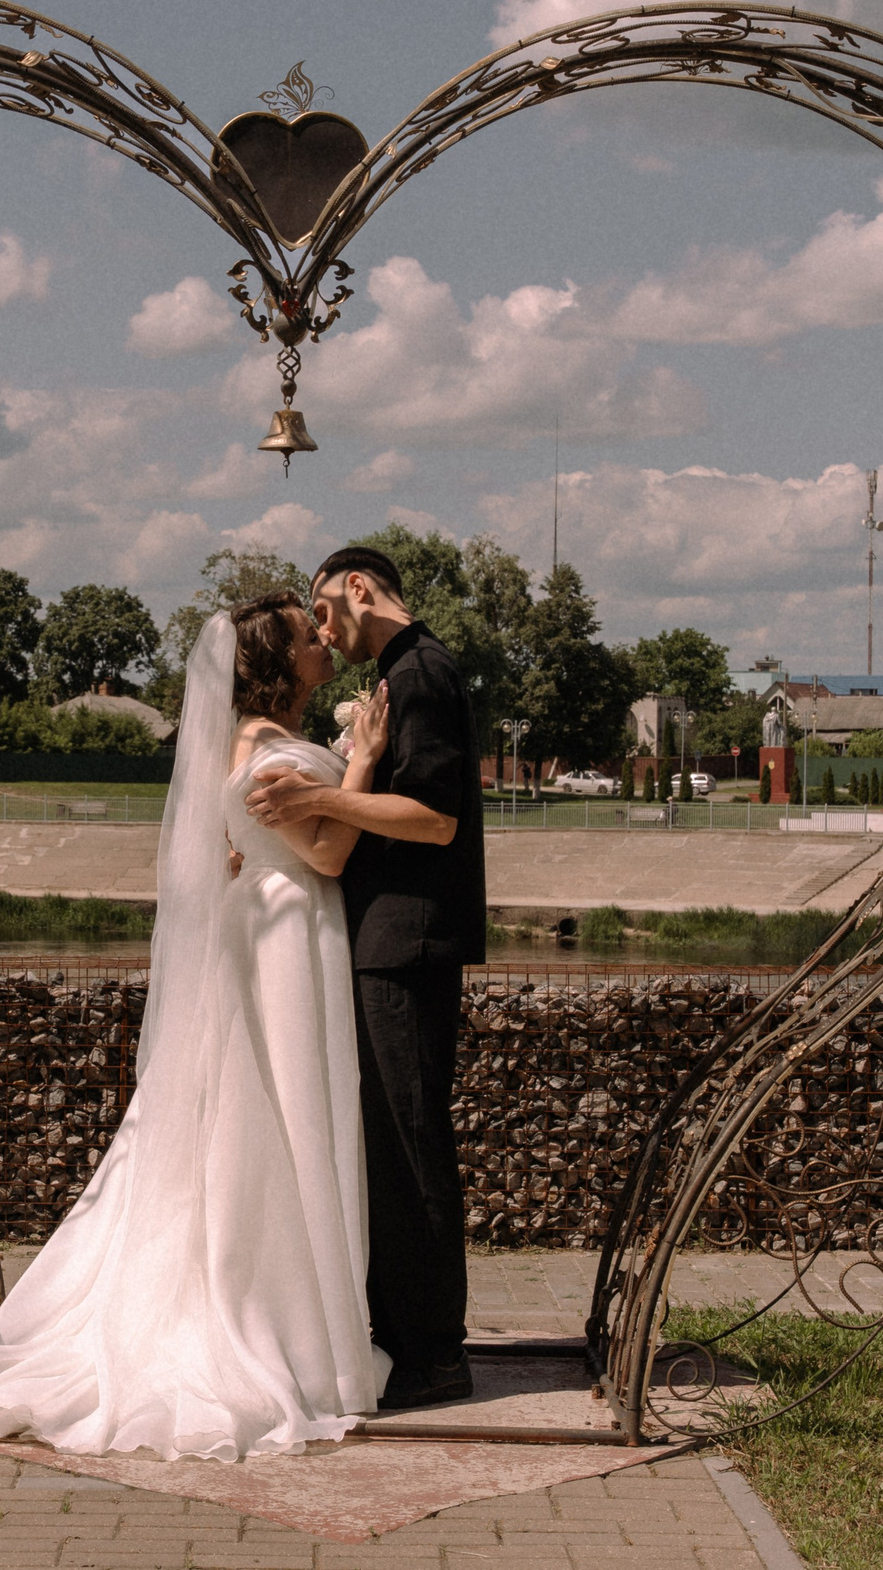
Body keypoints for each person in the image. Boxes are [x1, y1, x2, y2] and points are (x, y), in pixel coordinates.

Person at [0, 593, 395, 1460]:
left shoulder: (247, 744)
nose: (322, 642)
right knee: (288, 1118)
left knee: (259, 1125)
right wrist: (364, 762)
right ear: (276, 663)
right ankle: (286, 1329)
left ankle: (290, 1309)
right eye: (308, 638)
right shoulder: (269, 752)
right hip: (285, 933)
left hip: (264, 924)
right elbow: (331, 855)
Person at [244, 546, 485, 1411]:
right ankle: (402, 1330)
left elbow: (435, 818)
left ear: (358, 588)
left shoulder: (420, 673)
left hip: (406, 941)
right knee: (387, 1141)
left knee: (410, 1141)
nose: (322, 626)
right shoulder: (400, 672)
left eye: (324, 606)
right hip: (384, 940)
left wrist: (321, 800)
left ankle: (436, 1351)